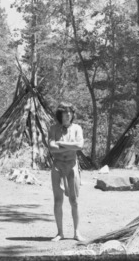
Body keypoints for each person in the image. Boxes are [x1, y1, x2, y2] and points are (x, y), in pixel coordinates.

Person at [48, 102, 84, 242]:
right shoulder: (53, 129)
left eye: (70, 112)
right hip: (57, 166)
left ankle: (76, 232)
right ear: (60, 114)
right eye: (65, 112)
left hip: (72, 166)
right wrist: (70, 147)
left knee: (74, 201)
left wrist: (61, 144)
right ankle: (60, 233)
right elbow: (52, 148)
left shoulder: (77, 128)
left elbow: (79, 145)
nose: (68, 114)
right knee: (58, 201)